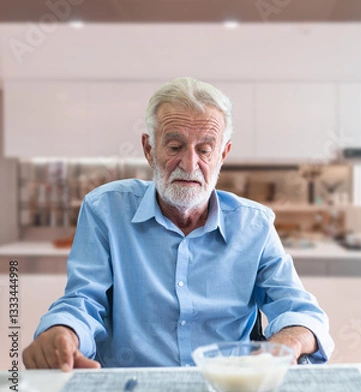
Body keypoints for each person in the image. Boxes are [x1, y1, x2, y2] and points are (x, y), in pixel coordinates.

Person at [23, 77, 334, 370]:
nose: (189, 164)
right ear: (148, 149)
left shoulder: (254, 225)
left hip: (226, 389)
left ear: (223, 154)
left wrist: (281, 348)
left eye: (204, 149)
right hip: (133, 391)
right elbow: (83, 300)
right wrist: (62, 330)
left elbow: (302, 313)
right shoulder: (105, 210)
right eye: (174, 147)